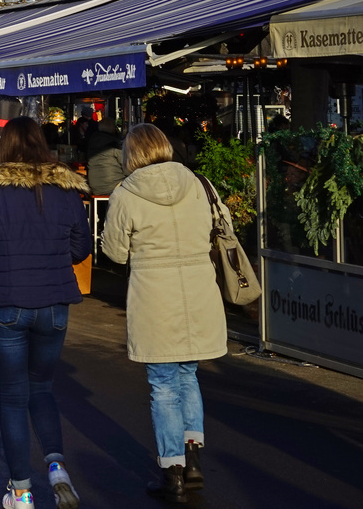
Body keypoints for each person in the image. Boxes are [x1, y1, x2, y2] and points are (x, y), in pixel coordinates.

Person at [0, 116, 91, 509]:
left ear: (3, 148)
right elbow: (80, 250)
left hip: (7, 303)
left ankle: (20, 492)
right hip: (54, 304)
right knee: (43, 389)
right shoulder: (68, 190)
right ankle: (56, 467)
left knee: (13, 398)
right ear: (42, 145)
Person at [101, 124, 226, 503]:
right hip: (199, 291)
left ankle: (171, 472)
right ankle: (193, 462)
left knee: (163, 385)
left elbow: (114, 252)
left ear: (132, 154)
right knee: (188, 376)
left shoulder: (126, 193)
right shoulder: (199, 183)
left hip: (154, 298)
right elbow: (220, 229)